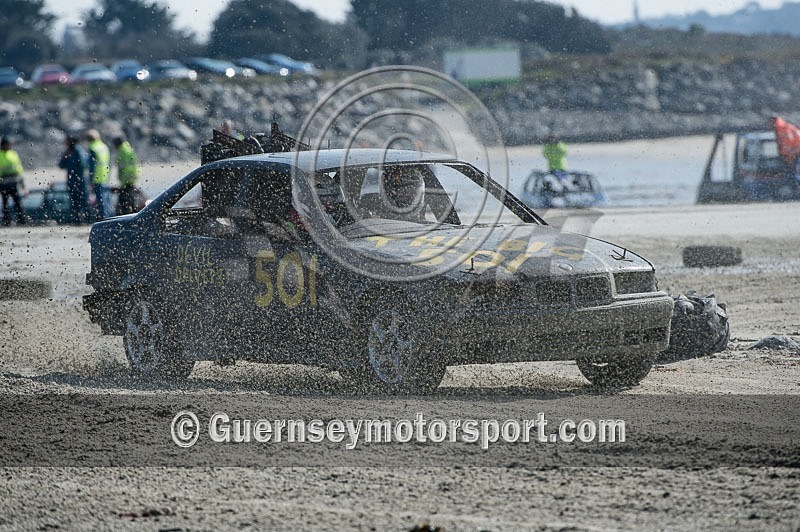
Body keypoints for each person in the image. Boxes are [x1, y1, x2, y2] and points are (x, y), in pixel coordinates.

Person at [59, 134, 90, 224]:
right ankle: (76, 220)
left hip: (80, 181)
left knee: (83, 201)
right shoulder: (68, 152)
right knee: (74, 202)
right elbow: (61, 165)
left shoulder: (79, 151)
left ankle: (88, 220)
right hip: (71, 181)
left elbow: (83, 164)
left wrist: (71, 162)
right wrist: (66, 156)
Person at [0, 136, 26, 225]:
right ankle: (7, 220)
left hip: (13, 182)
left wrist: (22, 182)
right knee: (5, 203)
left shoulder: (13, 154)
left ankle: (21, 220)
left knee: (17, 202)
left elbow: (18, 168)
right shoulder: (0, 154)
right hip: (3, 183)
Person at [86, 129, 111, 220]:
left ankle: (103, 220)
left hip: (97, 178)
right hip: (105, 177)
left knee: (101, 202)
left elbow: (92, 166)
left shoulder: (93, 148)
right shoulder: (104, 146)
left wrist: (91, 179)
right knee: (106, 200)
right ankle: (109, 218)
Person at [112, 136, 140, 215]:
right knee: (130, 198)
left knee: (125, 199)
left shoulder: (123, 151)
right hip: (130, 177)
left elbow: (125, 167)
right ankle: (133, 213)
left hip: (127, 178)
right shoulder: (127, 148)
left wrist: (124, 180)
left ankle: (128, 215)